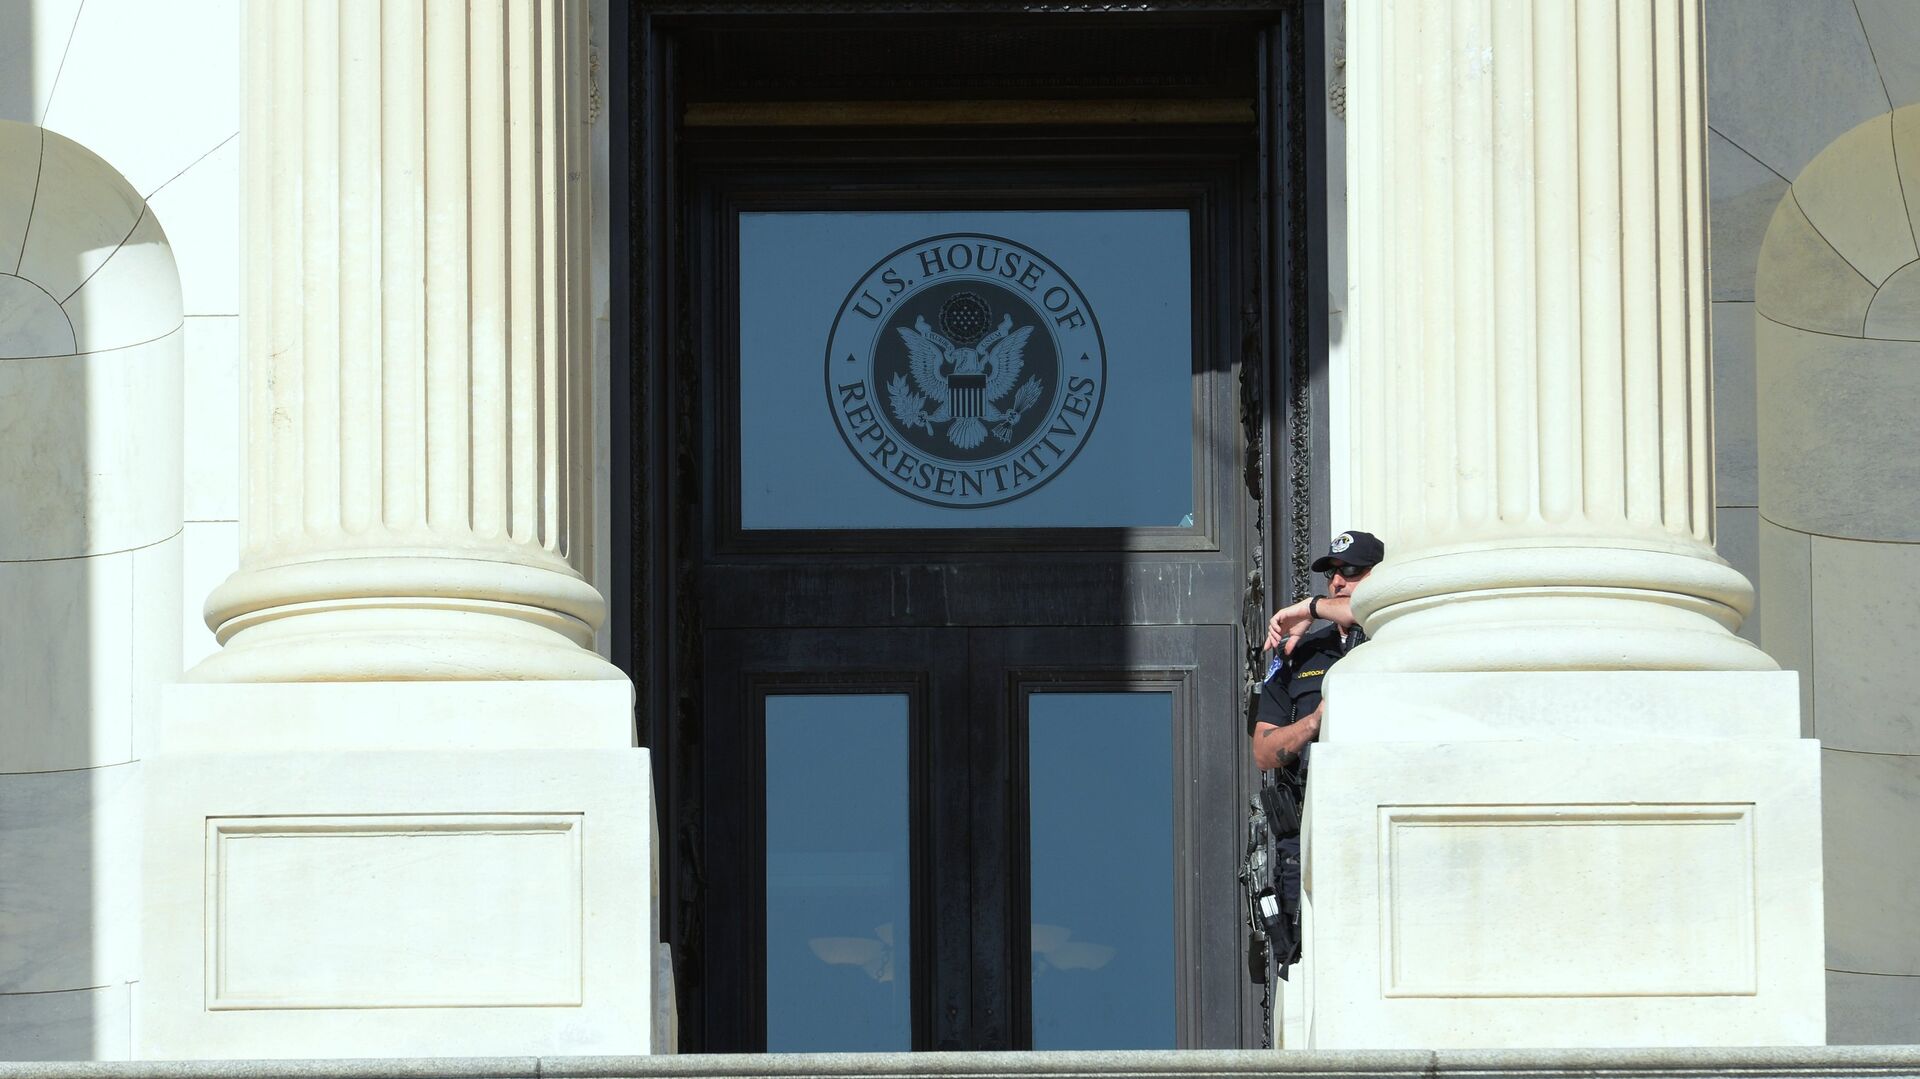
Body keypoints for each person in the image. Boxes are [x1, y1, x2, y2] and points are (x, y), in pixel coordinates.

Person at [1245, 529, 1383, 980]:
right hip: (1305, 834)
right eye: (1332, 574)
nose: (1338, 582)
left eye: (1353, 571)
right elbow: (1264, 753)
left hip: (1378, 821)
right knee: (1312, 970)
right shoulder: (1300, 653)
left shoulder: (1391, 633)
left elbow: (1363, 609)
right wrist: (1313, 722)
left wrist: (1307, 608)